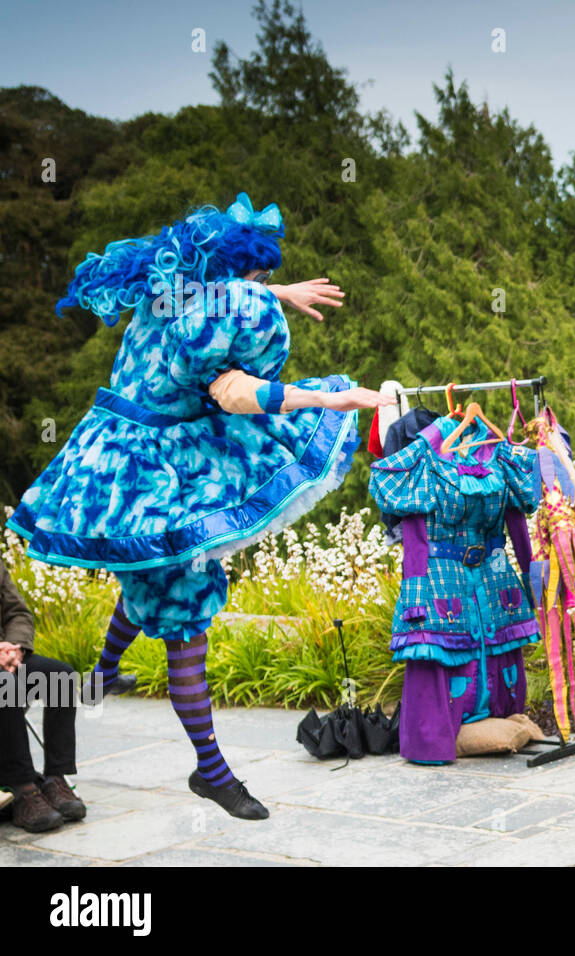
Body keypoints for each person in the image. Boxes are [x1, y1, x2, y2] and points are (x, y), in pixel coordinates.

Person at [6, 193, 394, 820]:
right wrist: (333, 402)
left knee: (146, 574)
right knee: (185, 613)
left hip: (111, 457)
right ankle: (211, 770)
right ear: (240, 277)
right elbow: (236, 393)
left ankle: (100, 678)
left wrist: (280, 291)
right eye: (261, 278)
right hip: (160, 474)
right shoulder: (226, 313)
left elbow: (222, 305)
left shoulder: (172, 291)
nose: (263, 287)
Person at [0, 556, 83, 832]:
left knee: (60, 676)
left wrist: (15, 647)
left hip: (4, 658)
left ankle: (55, 778)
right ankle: (23, 789)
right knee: (5, 684)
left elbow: (17, 613)